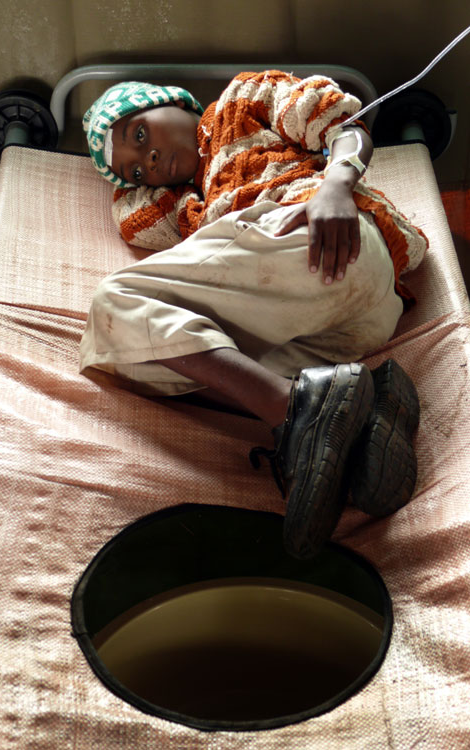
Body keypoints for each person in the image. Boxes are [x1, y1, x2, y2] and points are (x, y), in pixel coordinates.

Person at [80, 71, 425, 559]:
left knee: (113, 305)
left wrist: (335, 188)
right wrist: (129, 174)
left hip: (320, 231)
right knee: (131, 363)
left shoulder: (244, 98)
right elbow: (137, 220)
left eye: (139, 134)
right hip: (353, 323)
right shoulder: (189, 208)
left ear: (173, 102)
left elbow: (347, 124)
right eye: (137, 170)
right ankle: (367, 409)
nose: (148, 159)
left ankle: (292, 411)